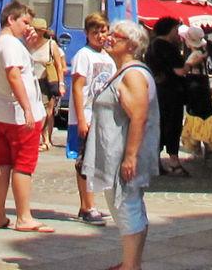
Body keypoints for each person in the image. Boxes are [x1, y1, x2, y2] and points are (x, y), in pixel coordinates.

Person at [83, 18, 160, 270]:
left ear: (131, 45)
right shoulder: (123, 71)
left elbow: (139, 116)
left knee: (126, 207)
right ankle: (129, 263)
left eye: (116, 36)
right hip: (116, 152)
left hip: (123, 155)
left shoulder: (133, 74)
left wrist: (130, 156)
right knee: (126, 207)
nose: (109, 38)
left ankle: (131, 266)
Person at [0, 4, 53, 233]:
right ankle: (23, 217)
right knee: (23, 165)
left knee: (1, 162)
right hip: (17, 116)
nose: (27, 28)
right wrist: (28, 109)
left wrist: (28, 45)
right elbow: (14, 75)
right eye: (24, 22)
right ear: (11, 19)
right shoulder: (10, 45)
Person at [67, 12, 115, 226]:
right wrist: (81, 119)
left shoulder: (107, 57)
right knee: (85, 162)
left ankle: (87, 204)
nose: (100, 35)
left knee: (95, 162)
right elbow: (77, 88)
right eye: (95, 32)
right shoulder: (83, 55)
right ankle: (88, 206)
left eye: (103, 31)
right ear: (87, 34)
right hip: (86, 115)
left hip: (102, 116)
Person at [146, 15, 196, 176]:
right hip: (170, 92)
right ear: (169, 30)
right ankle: (173, 160)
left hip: (158, 91)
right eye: (175, 30)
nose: (177, 34)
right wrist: (192, 62)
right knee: (171, 125)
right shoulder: (165, 46)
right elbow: (179, 70)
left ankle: (156, 160)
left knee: (160, 125)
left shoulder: (152, 45)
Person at [30, 17, 66, 146]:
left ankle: (45, 139)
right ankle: (36, 138)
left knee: (46, 111)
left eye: (38, 30)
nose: (35, 32)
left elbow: (59, 66)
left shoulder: (51, 44)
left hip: (46, 81)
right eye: (33, 29)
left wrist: (61, 84)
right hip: (29, 82)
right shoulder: (26, 43)